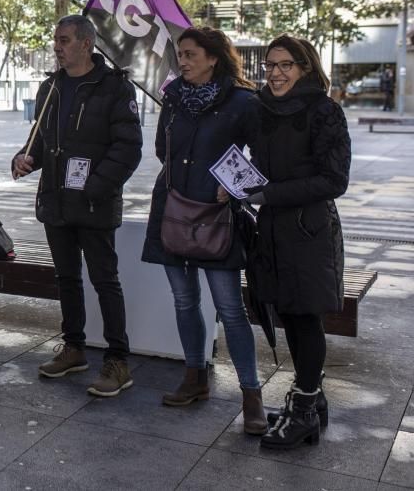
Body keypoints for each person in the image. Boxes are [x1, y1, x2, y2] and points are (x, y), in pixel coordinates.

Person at [140, 26, 266, 434]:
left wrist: (233, 187)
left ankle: (251, 396)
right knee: (183, 299)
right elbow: (162, 147)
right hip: (173, 207)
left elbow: (261, 160)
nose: (183, 60)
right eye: (181, 53)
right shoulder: (173, 98)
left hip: (217, 215)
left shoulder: (244, 102)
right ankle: (195, 377)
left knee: (231, 309)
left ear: (214, 57)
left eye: (191, 54)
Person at [12, 14, 142, 397]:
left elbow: (128, 148)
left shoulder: (115, 87)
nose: (57, 46)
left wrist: (94, 187)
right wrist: (24, 157)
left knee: (105, 281)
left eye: (64, 40)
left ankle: (118, 360)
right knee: (66, 278)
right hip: (55, 201)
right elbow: (38, 138)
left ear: (86, 43)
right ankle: (74, 348)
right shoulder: (50, 87)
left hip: (94, 204)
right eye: (55, 40)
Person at [249, 34, 351, 450]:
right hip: (272, 228)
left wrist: (268, 192)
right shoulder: (261, 110)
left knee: (306, 317)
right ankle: (312, 397)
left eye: (284, 65)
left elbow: (334, 180)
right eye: (270, 66)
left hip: (309, 230)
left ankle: (305, 410)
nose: (275, 73)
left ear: (304, 67)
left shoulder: (325, 111)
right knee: (289, 314)